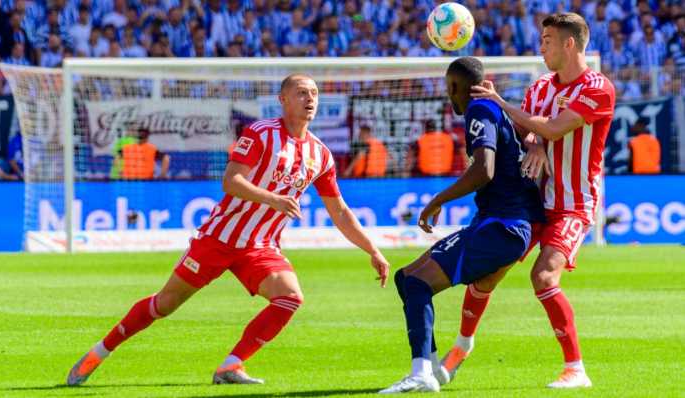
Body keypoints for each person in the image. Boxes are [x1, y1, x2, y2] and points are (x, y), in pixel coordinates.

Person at [66, 74, 390, 386]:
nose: (310, 99)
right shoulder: (261, 133)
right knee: (164, 304)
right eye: (303, 92)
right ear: (283, 99)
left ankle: (231, 365)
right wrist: (274, 199)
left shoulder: (320, 154)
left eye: (315, 93)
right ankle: (98, 353)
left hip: (260, 246)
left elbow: (340, 211)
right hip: (219, 238)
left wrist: (372, 250)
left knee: (290, 297)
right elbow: (231, 181)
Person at [451, 12, 616, 388]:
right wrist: (533, 142)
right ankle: (461, 345)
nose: (541, 47)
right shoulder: (541, 86)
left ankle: (576, 369)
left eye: (546, 40)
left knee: (543, 276)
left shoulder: (597, 87)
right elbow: (527, 128)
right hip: (532, 199)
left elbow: (556, 126)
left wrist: (500, 102)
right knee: (488, 272)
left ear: (569, 44)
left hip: (573, 204)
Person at [379, 57, 544, 394]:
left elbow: (485, 169)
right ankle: (429, 368)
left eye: (448, 89)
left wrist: (437, 199)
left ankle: (421, 373)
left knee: (418, 285)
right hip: (502, 223)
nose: (448, 96)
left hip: (503, 226)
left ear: (455, 87)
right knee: (407, 278)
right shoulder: (493, 109)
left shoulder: (479, 109)